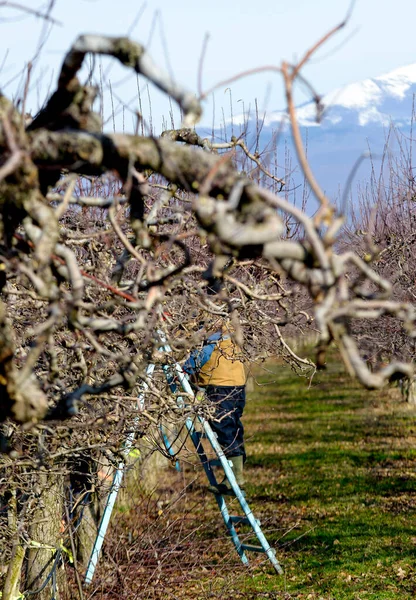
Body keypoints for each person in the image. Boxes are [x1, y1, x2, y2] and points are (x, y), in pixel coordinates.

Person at [183, 319, 246, 495]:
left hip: (220, 386)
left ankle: (236, 477)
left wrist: (185, 369)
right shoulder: (230, 323)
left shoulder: (212, 327)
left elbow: (202, 355)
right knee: (233, 428)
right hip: (237, 384)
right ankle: (234, 477)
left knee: (224, 427)